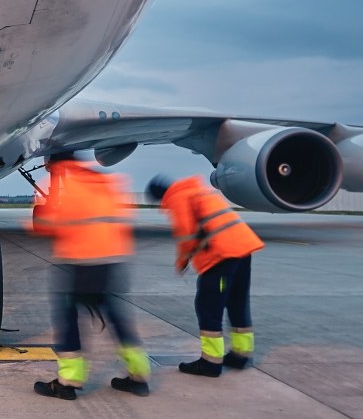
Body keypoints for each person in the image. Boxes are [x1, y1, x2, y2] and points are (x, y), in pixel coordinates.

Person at [30, 152, 150, 400]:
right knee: (117, 318)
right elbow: (123, 217)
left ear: (53, 163)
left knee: (68, 319)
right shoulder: (106, 181)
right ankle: (139, 376)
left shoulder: (64, 183)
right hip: (112, 261)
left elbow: (48, 224)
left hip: (81, 262)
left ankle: (68, 382)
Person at [149, 173, 264, 377]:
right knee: (237, 303)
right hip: (242, 250)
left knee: (208, 306)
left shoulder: (177, 197)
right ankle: (241, 355)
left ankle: (211, 362)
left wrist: (182, 261)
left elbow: (186, 234)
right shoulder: (197, 190)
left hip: (222, 257)